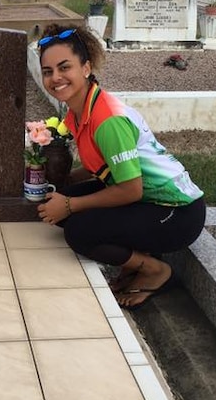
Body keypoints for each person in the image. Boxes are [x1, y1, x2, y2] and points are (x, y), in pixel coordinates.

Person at [35, 24, 206, 310]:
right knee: (64, 202)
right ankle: (132, 257)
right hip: (146, 199)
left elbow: (131, 190)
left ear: (86, 67)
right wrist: (64, 185)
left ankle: (153, 269)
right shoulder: (80, 108)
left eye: (65, 67)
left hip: (176, 213)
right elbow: (101, 167)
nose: (56, 78)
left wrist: (70, 204)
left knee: (78, 231)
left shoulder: (108, 120)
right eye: (48, 71)